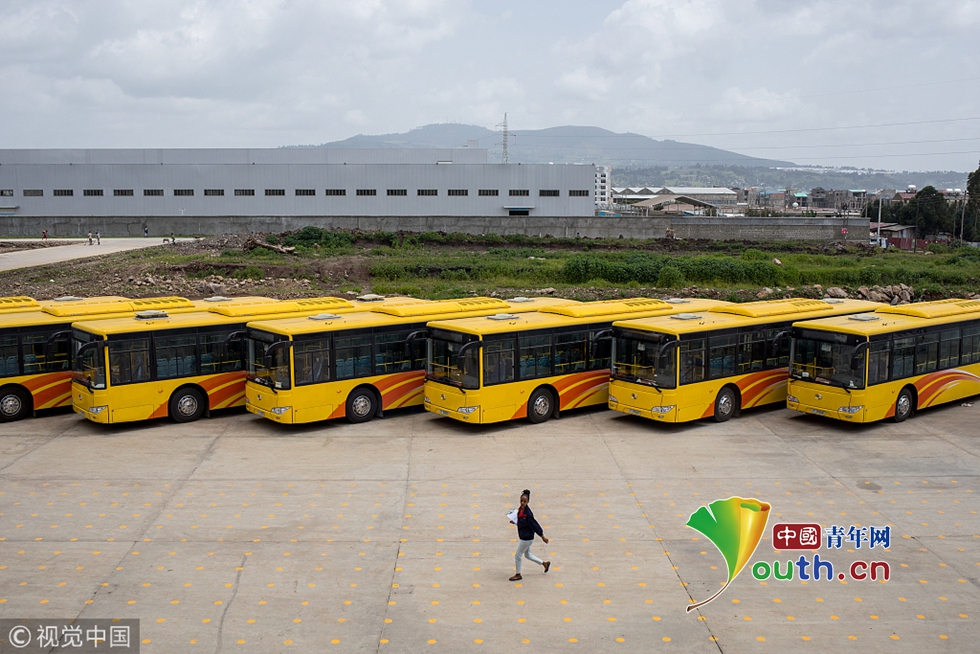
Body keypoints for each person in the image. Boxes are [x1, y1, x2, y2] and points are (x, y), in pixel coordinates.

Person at [509, 489, 550, 581]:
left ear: (528, 502)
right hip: (524, 536)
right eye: (521, 501)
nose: (522, 503)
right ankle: (544, 564)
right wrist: (515, 521)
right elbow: (522, 522)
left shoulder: (528, 514)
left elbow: (535, 525)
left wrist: (542, 536)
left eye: (524, 501)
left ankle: (518, 574)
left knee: (518, 556)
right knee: (527, 555)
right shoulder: (520, 510)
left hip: (527, 538)